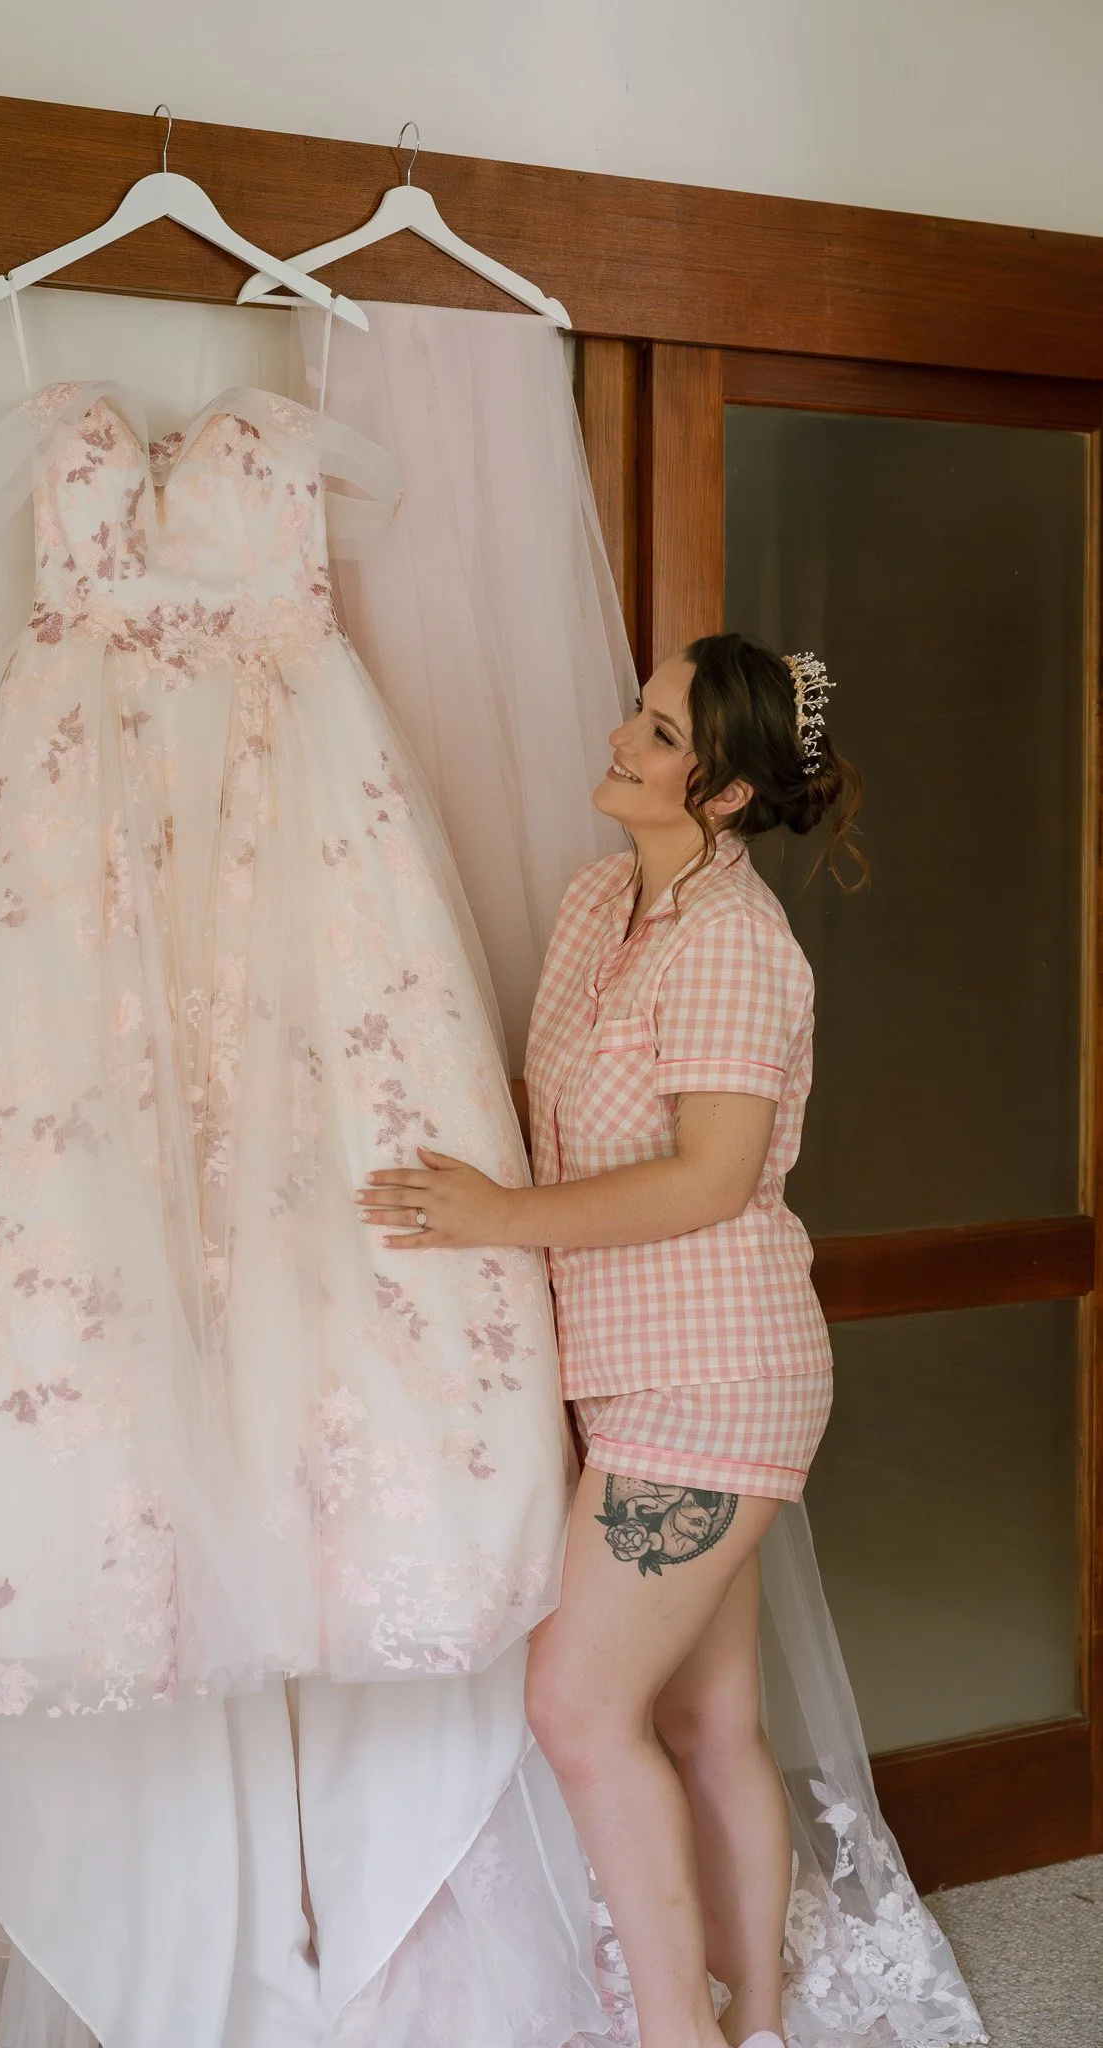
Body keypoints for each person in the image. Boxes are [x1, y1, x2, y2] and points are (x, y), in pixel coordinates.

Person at [355, 630, 863, 2048]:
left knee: (580, 1715)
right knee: (701, 1724)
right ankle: (754, 2026)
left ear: (721, 797)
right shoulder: (598, 904)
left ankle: (681, 2039)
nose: (619, 741)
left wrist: (500, 1218)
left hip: (716, 1376)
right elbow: (540, 1095)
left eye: (654, 734)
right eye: (635, 717)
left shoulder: (741, 951)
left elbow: (711, 1179)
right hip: (631, 1368)